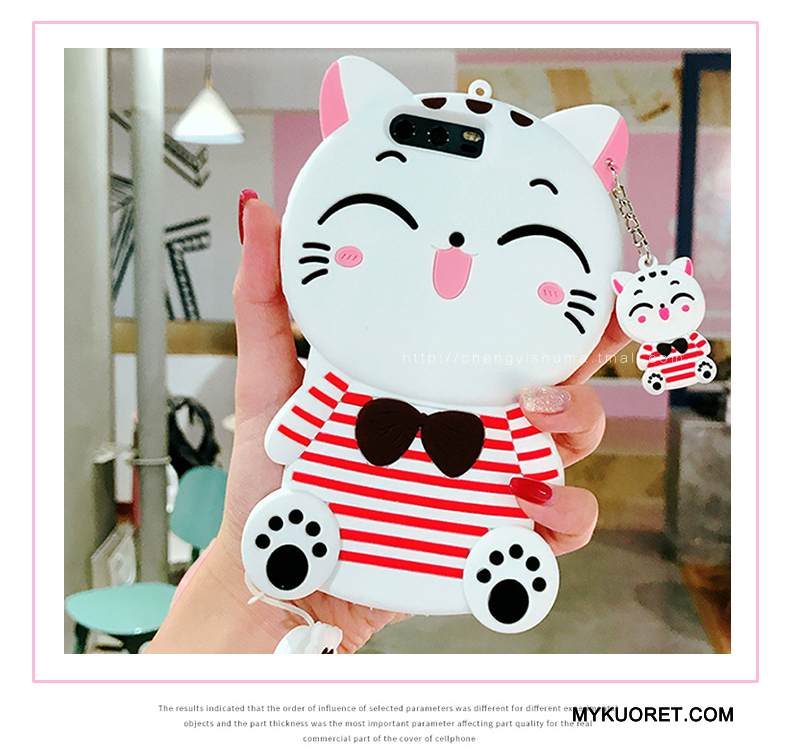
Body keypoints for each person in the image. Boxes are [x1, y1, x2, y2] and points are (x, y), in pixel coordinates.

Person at [146, 193, 629, 654]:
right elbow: (280, 440)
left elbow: (286, 441)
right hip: (334, 542)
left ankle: (498, 567)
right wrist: (249, 597)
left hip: (435, 541)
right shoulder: (351, 374)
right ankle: (304, 539)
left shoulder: (502, 401)